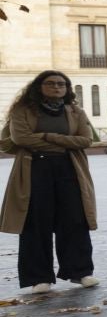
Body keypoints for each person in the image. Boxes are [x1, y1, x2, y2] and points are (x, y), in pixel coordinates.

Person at [0, 71, 99, 293]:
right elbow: (21, 139)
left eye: (62, 84)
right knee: (35, 223)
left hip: (70, 170)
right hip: (34, 169)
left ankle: (80, 272)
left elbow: (86, 140)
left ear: (67, 88)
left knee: (75, 221)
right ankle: (38, 278)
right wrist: (64, 144)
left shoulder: (75, 111)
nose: (57, 87)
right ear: (39, 86)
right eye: (51, 83)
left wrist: (47, 137)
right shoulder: (22, 110)